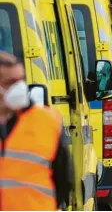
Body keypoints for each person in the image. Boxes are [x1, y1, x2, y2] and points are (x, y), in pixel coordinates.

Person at [0, 52, 73, 210]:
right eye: (11, 82)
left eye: (21, 80)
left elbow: (64, 178)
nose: (19, 88)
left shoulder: (47, 122)